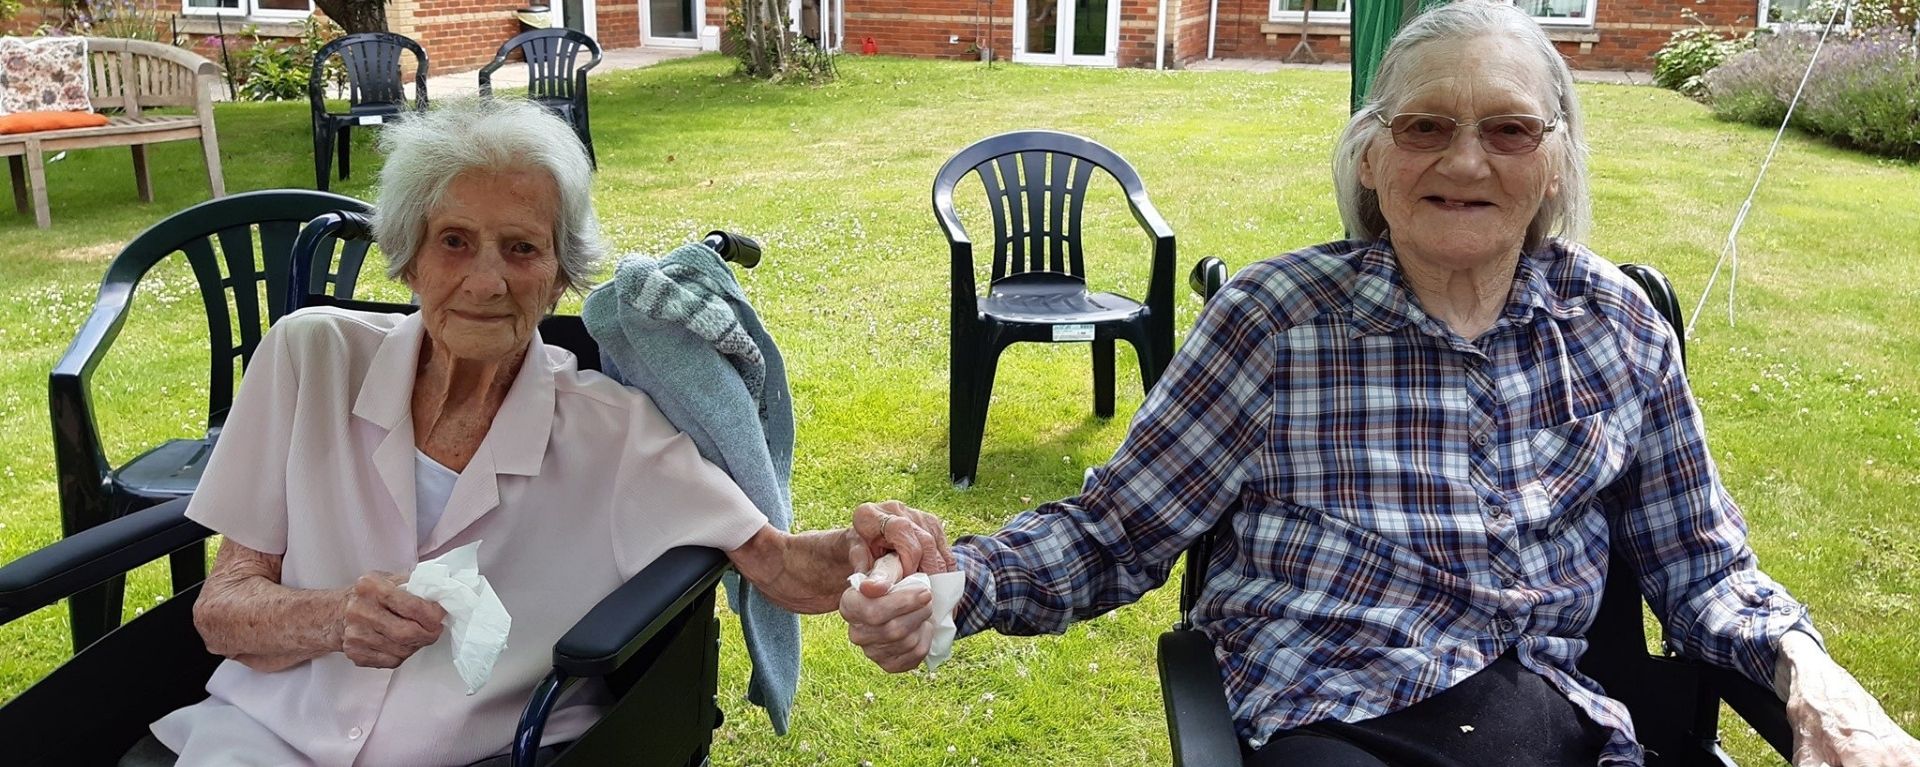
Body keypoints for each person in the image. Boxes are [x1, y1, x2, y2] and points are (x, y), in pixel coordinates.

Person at [839, 3, 1920, 766]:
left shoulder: (1619, 326)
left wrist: (1814, 679)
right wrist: (955, 589)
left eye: (1507, 129)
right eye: (1425, 127)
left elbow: (1705, 564)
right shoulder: (1276, 320)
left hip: (1552, 717)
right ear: (1372, 157)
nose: (1465, 162)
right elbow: (1116, 530)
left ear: (1553, 162)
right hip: (1331, 717)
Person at [122, 98, 947, 767]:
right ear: (408, 257)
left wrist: (865, 544)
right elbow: (223, 611)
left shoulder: (614, 432)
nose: (487, 280)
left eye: (522, 249)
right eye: (454, 242)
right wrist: (334, 616)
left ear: (560, 276)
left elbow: (775, 563)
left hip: (486, 752)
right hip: (265, 741)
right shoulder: (311, 357)